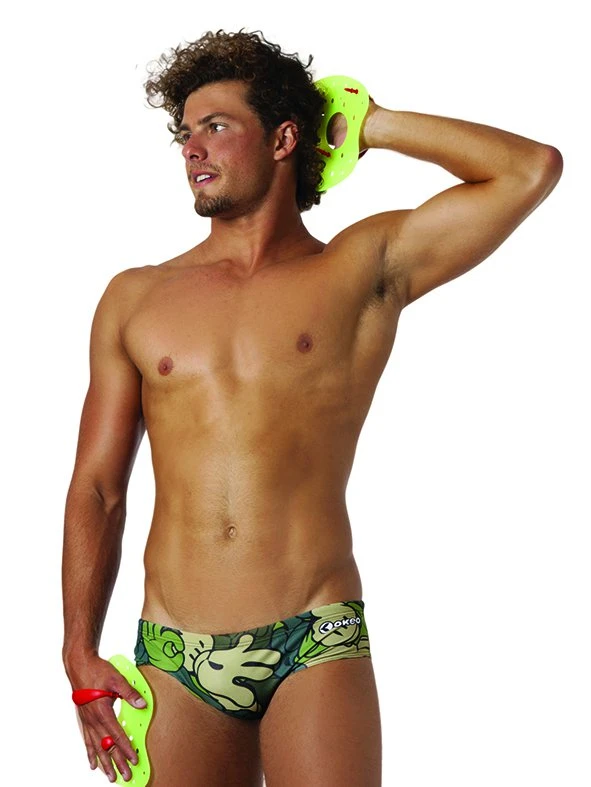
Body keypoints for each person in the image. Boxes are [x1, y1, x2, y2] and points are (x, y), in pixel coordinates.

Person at [62, 28, 562, 787]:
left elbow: (529, 169)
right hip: (173, 651)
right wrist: (78, 650)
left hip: (314, 636)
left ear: (284, 138)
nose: (192, 148)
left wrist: (370, 123)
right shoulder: (135, 297)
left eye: (216, 126)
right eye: (185, 133)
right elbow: (98, 487)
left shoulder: (358, 268)